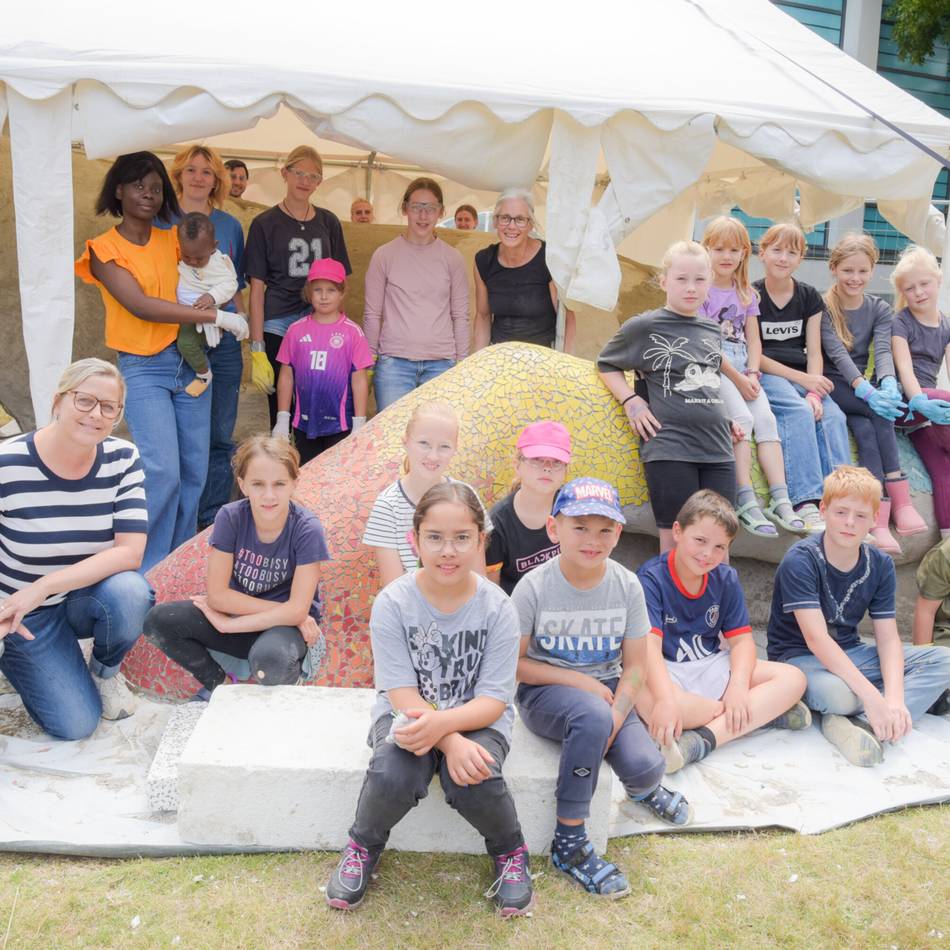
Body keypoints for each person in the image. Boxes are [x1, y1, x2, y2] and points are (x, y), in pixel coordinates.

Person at [325, 482, 535, 916]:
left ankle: (511, 851)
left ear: (481, 540)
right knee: (392, 773)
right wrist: (447, 740)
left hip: (478, 717)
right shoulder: (394, 602)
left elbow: (495, 699)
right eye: (435, 537)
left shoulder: (498, 608)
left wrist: (454, 734)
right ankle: (362, 847)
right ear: (414, 539)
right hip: (409, 712)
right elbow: (399, 690)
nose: (448, 550)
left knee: (473, 775)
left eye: (462, 538)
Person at [512, 478, 691, 900]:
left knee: (647, 765)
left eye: (604, 530)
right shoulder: (534, 587)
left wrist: (618, 711)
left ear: (618, 534)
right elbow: (515, 665)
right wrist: (578, 682)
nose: (592, 540)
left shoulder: (627, 585)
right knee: (591, 717)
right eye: (580, 528)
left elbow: (635, 666)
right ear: (554, 529)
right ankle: (570, 842)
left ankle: (645, 788)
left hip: (608, 690)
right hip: (545, 691)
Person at [75, 151, 249, 572]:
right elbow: (142, 305)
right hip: (143, 367)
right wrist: (214, 315)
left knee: (194, 472)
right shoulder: (103, 249)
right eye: (138, 186)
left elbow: (214, 266)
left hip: (190, 363)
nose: (148, 195)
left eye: (155, 188)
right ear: (118, 189)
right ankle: (142, 569)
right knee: (163, 472)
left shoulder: (173, 239)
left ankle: (177, 564)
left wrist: (222, 298)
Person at [0, 359, 151, 739]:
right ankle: (21, 660)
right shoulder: (8, 463)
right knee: (76, 725)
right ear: (58, 402)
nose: (95, 414)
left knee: (131, 592)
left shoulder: (122, 458)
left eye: (108, 407)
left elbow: (130, 552)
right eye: (84, 401)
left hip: (83, 596)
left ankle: (105, 671)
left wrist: (44, 586)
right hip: (22, 612)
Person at [767, 466, 950, 766]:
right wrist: (873, 695)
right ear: (823, 510)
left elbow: (888, 639)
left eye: (861, 516)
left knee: (943, 660)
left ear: (874, 519)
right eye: (841, 512)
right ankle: (867, 709)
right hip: (799, 657)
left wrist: (892, 697)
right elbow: (816, 640)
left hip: (853, 653)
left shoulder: (880, 564)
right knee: (839, 694)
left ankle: (863, 722)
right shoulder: (800, 560)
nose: (850, 523)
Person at [634, 490, 810, 773]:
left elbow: (741, 642)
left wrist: (739, 689)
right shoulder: (651, 578)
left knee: (793, 678)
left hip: (710, 665)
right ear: (678, 531)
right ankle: (757, 715)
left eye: (719, 547)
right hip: (666, 671)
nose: (707, 554)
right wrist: (666, 700)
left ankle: (703, 739)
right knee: (648, 701)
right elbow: (649, 650)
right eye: (700, 541)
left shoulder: (725, 578)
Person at [143, 436, 329, 700]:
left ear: (294, 483)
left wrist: (229, 625)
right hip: (254, 617)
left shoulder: (306, 528)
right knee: (159, 620)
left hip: (284, 630)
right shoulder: (230, 517)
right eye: (257, 484)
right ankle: (221, 686)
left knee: (270, 661)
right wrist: (291, 612)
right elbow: (218, 596)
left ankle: (287, 689)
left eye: (279, 484)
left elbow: (298, 608)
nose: (268, 495)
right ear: (242, 484)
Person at [597, 240, 736, 554]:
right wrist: (630, 401)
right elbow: (606, 364)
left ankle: (716, 605)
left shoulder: (712, 329)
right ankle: (672, 604)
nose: (691, 288)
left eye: (700, 280)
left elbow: (706, 380)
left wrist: (724, 418)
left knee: (720, 544)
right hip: (671, 448)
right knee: (675, 543)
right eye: (681, 279)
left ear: (710, 282)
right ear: (663, 282)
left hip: (718, 449)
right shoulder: (644, 326)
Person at [161, 145, 249, 530]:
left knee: (218, 432)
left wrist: (241, 324)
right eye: (192, 169)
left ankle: (210, 521)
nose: (199, 177)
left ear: (217, 180)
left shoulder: (230, 225)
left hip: (225, 338)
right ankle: (178, 519)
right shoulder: (161, 221)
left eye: (207, 172)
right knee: (182, 435)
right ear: (178, 174)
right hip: (179, 339)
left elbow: (236, 281)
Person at [821, 233, 926, 554]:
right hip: (833, 383)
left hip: (860, 391)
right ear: (834, 269)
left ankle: (878, 521)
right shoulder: (824, 307)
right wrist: (867, 391)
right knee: (878, 412)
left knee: (868, 430)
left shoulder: (879, 308)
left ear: (872, 270)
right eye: (848, 270)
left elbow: (882, 351)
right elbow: (837, 355)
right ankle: (901, 499)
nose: (855, 278)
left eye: (862, 271)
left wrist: (889, 383)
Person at [700, 217, 805, 538]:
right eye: (718, 249)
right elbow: (706, 345)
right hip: (717, 368)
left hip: (744, 366)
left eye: (734, 249)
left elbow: (754, 339)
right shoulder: (702, 291)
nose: (726, 256)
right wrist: (738, 377)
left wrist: (753, 371)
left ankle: (780, 497)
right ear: (707, 250)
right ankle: (744, 497)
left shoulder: (746, 293)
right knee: (742, 419)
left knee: (767, 419)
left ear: (745, 253)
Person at [752, 223, 851, 533]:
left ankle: (843, 501)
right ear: (762, 253)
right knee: (797, 412)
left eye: (792, 253)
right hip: (770, 372)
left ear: (801, 258)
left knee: (833, 416)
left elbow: (814, 351)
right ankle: (805, 501)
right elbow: (756, 353)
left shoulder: (808, 296)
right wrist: (802, 383)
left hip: (804, 373)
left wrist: (814, 391)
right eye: (777, 250)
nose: (783, 258)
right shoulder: (751, 294)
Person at [246, 146, 352, 426]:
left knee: (317, 395)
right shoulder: (264, 223)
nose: (305, 181)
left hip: (319, 319)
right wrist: (256, 347)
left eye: (313, 176)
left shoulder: (328, 222)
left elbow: (341, 280)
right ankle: (282, 462)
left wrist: (342, 326)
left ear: (319, 182)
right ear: (285, 173)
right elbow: (256, 289)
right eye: (299, 173)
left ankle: (312, 462)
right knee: (280, 404)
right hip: (278, 320)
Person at [363, 178, 469, 411]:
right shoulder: (384, 255)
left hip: (441, 365)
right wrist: (369, 362)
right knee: (392, 441)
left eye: (430, 209)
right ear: (405, 209)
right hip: (394, 365)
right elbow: (372, 314)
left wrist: (461, 364)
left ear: (441, 212)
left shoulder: (452, 258)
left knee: (436, 439)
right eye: (416, 207)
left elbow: (461, 315)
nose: (423, 215)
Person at [362, 403, 490, 586]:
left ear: (455, 448)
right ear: (405, 442)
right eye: (424, 443)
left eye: (444, 446)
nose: (433, 456)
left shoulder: (467, 496)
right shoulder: (387, 506)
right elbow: (394, 589)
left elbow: (479, 579)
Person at [272, 259, 373, 463]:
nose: (324, 296)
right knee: (306, 475)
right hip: (304, 422)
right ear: (309, 293)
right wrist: (283, 418)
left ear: (342, 293)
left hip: (341, 423)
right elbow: (286, 375)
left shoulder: (353, 333)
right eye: (318, 290)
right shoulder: (295, 330)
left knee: (338, 478)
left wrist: (360, 423)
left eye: (331, 290)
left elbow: (359, 379)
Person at [890, 244, 950, 538]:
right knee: (941, 398)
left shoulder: (947, 324)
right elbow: (904, 369)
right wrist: (919, 401)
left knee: (942, 468)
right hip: (905, 403)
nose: (919, 292)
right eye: (910, 288)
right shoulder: (901, 322)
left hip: (927, 414)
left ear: (938, 280)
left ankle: (947, 542)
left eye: (924, 283)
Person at [474, 188, 575, 353]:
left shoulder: (549, 259)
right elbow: (483, 316)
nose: (511, 226)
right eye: (505, 218)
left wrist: (566, 364)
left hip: (542, 358)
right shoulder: (484, 261)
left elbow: (567, 319)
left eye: (520, 219)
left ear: (531, 224)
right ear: (495, 222)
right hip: (499, 357)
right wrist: (477, 363)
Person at [486, 421, 571, 595]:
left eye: (556, 462)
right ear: (517, 464)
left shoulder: (571, 507)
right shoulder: (497, 522)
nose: (547, 468)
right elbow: (492, 591)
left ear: (565, 470)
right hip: (518, 609)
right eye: (537, 460)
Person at [174, 212, 240, 398]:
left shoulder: (219, 264)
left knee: (186, 344)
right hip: (181, 312)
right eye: (188, 257)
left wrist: (211, 297)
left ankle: (203, 374)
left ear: (213, 247)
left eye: (199, 258)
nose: (193, 262)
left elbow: (230, 284)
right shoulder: (182, 255)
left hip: (202, 313)